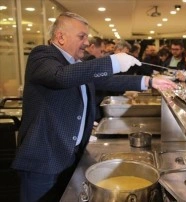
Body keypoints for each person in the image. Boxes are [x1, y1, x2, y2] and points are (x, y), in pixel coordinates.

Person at [11, 12, 176, 202]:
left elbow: (107, 80)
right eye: (82, 36)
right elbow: (61, 77)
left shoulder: (75, 64)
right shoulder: (42, 55)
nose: (87, 42)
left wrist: (148, 81)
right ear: (61, 37)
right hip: (44, 160)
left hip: (70, 155)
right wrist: (113, 61)